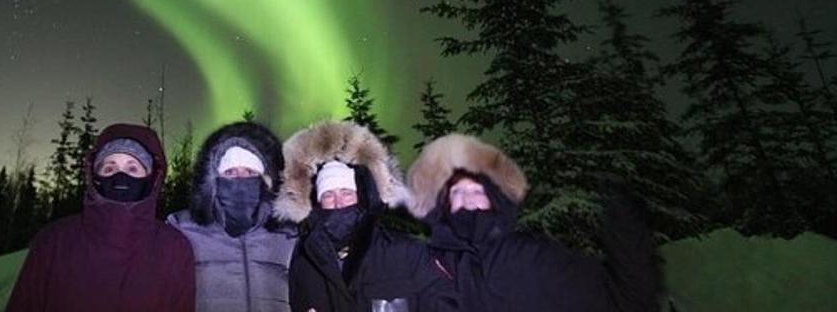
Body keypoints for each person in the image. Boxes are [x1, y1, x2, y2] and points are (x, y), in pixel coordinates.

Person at [407, 133, 660, 312]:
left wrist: (626, 223)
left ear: (495, 199)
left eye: (477, 191)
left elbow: (624, 298)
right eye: (457, 193)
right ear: (444, 205)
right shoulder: (432, 266)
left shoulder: (532, 257)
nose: (468, 201)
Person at [4, 122, 195, 311]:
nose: (121, 177)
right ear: (95, 176)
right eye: (109, 168)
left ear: (151, 178)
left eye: (133, 169)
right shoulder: (54, 242)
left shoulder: (175, 249)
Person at [275, 120, 451, 312]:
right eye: (328, 195)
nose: (338, 202)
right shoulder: (305, 261)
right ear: (315, 203)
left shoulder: (407, 251)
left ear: (362, 197)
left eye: (346, 193)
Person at [168, 120, 298, 311]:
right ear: (214, 179)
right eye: (230, 172)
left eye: (249, 172)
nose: (240, 178)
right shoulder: (183, 229)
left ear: (265, 180)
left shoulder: (288, 234)